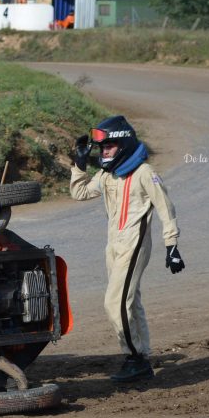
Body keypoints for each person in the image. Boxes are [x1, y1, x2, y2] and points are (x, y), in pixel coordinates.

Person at [71, 115, 184, 383]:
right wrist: (79, 164)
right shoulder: (107, 175)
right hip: (113, 246)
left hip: (134, 244)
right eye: (101, 147)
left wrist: (172, 246)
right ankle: (141, 354)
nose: (104, 151)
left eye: (108, 146)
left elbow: (166, 208)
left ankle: (134, 358)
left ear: (123, 145)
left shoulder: (144, 173)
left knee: (115, 303)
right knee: (131, 303)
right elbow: (80, 193)